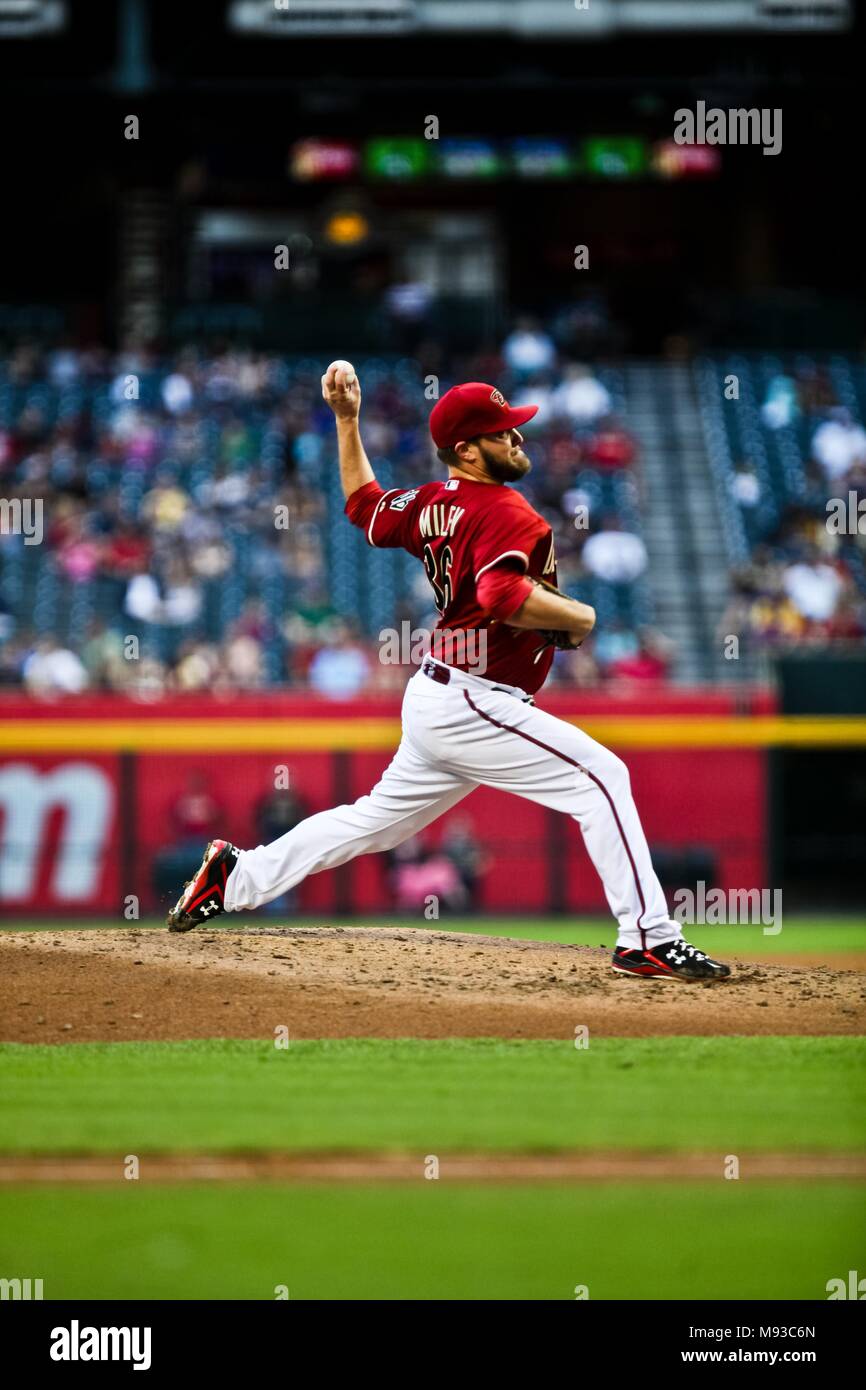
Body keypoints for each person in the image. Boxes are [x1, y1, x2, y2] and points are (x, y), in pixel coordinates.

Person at [166, 363, 730, 982]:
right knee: (602, 777)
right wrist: (580, 616)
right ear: (467, 448)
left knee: (374, 823)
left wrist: (347, 420)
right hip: (473, 698)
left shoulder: (434, 502)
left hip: (443, 694)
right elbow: (499, 593)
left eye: (514, 429)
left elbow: (364, 506)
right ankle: (648, 937)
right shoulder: (510, 512)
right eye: (503, 433)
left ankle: (237, 875)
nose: (517, 439)